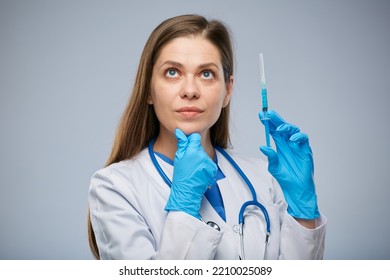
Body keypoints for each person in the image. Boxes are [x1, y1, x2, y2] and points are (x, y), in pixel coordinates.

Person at [87, 14, 327, 260]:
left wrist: (304, 214)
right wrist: (184, 207)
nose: (190, 91)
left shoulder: (266, 178)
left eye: (206, 74)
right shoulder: (114, 188)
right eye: (172, 72)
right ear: (148, 90)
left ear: (227, 91)